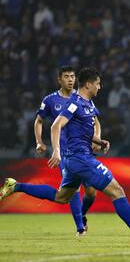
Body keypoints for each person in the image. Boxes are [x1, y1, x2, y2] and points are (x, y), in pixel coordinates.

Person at [0, 68, 130, 242]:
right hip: (80, 158)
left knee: (61, 197)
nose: (100, 87)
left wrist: (99, 141)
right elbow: (56, 126)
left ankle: (16, 186)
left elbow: (82, 130)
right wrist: (56, 150)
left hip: (74, 161)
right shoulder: (74, 103)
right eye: (98, 84)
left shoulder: (88, 104)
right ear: (88, 84)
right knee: (117, 191)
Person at [34, 65, 97, 236]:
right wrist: (40, 142)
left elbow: (95, 121)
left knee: (91, 192)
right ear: (59, 79)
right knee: (73, 190)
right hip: (65, 153)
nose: (70, 80)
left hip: (83, 151)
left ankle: (82, 215)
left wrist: (96, 139)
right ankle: (80, 228)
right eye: (66, 76)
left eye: (73, 76)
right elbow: (39, 121)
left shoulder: (82, 97)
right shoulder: (50, 100)